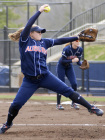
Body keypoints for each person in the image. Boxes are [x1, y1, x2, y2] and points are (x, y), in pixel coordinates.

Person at [0, 4, 103, 134]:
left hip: (45, 76)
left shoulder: (45, 42)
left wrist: (76, 37)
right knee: (16, 104)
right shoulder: (25, 41)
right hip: (29, 81)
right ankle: (8, 124)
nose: (41, 33)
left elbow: (60, 40)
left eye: (42, 31)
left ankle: (91, 108)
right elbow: (28, 26)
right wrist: (39, 11)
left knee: (68, 91)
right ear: (31, 33)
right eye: (38, 31)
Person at [56, 40, 82, 110]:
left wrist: (81, 64)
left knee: (74, 84)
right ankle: (58, 104)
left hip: (69, 67)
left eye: (79, 40)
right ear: (72, 42)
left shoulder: (80, 49)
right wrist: (72, 61)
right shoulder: (67, 49)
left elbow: (78, 60)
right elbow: (63, 60)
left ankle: (73, 103)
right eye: (76, 40)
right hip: (61, 66)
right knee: (61, 84)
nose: (78, 42)